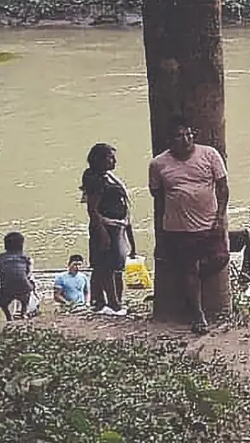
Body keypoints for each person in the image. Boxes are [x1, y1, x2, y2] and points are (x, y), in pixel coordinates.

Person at [148, 117, 230, 334]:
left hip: (210, 223)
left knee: (221, 258)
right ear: (170, 140)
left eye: (188, 134)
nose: (185, 140)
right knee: (188, 270)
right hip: (179, 228)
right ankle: (197, 314)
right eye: (179, 136)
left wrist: (220, 217)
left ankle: (193, 286)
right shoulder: (158, 164)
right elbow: (157, 195)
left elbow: (223, 187)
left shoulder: (209, 154)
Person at [81, 143, 136, 315]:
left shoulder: (107, 177)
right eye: (109, 157)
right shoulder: (95, 180)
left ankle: (100, 301)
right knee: (107, 266)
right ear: (98, 160)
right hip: (106, 227)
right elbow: (92, 209)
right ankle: (113, 303)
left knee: (107, 265)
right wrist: (103, 233)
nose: (114, 161)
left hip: (117, 225)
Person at [0, 232, 33, 321]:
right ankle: (23, 313)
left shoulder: (0, 257)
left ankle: (8, 315)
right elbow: (28, 273)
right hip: (23, 289)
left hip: (6, 290)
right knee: (28, 286)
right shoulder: (25, 257)